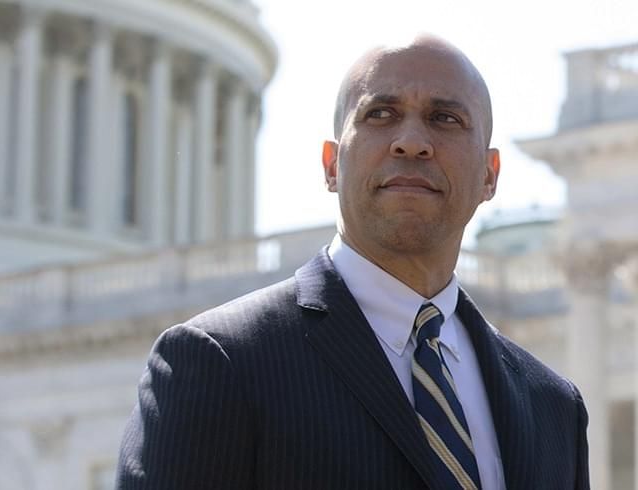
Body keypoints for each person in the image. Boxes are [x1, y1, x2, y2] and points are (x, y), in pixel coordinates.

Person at [116, 35, 589, 490]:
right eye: (380, 114)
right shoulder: (221, 362)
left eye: (444, 118)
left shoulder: (554, 408)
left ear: (489, 175)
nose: (411, 142)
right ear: (331, 165)